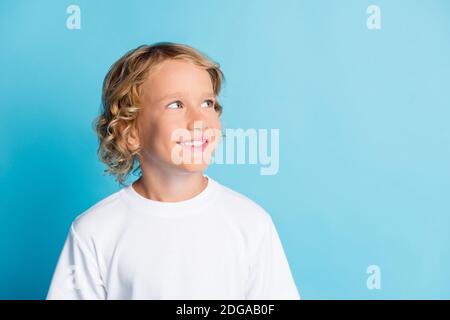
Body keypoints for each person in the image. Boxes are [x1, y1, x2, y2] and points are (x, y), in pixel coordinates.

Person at [46, 42, 300, 300]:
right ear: (130, 133)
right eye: (176, 105)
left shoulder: (251, 223)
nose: (199, 121)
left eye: (207, 103)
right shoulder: (94, 232)